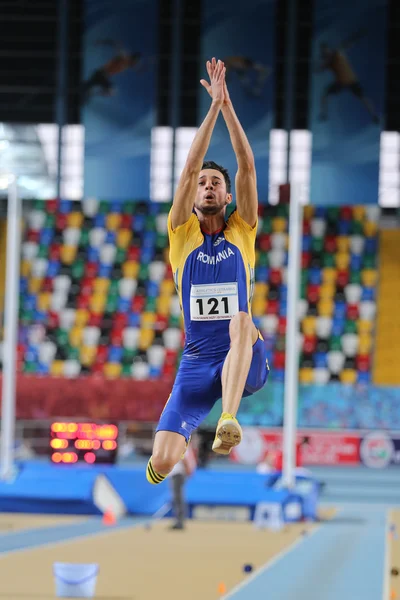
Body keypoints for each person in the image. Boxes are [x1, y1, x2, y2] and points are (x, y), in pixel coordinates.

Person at [146, 57, 270, 486]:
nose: (208, 185)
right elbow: (185, 172)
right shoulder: (181, 235)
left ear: (229, 193)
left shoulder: (242, 230)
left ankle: (228, 420)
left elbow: (247, 165)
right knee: (161, 461)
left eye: (216, 181)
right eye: (203, 182)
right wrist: (211, 107)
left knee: (242, 320)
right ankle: (169, 459)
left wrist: (228, 104)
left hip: (245, 359)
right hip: (197, 362)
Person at [316, 35, 379, 124]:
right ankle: (324, 114)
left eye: (326, 51)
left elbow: (346, 44)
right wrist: (318, 66)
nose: (326, 53)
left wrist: (356, 37)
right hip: (340, 83)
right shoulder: (328, 62)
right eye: (324, 52)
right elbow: (319, 69)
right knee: (325, 94)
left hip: (351, 81)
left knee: (363, 98)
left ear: (328, 49)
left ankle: (374, 116)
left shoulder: (337, 53)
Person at [168, 442, 197, 530]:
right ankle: (179, 521)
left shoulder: (180, 441)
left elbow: (184, 458)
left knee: (178, 498)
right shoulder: (180, 441)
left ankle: (179, 522)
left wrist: (188, 468)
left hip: (178, 473)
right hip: (178, 473)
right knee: (178, 498)